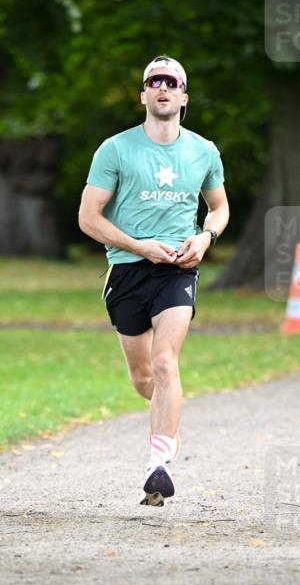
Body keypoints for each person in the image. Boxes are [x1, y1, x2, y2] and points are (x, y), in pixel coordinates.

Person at [78, 56, 230, 506]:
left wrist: (206, 237)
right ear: (143, 94)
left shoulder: (204, 151)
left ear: (183, 97)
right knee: (145, 378)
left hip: (178, 270)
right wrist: (140, 245)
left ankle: (158, 463)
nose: (162, 88)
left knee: (166, 363)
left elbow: (219, 207)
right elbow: (88, 217)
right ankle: (166, 422)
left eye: (172, 82)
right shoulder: (115, 149)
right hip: (126, 269)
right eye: (153, 82)